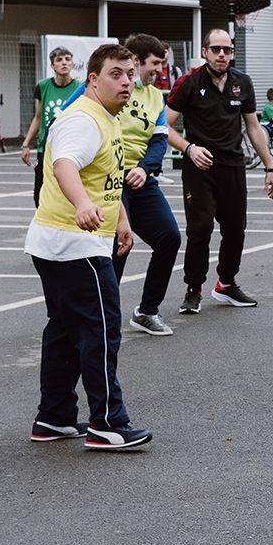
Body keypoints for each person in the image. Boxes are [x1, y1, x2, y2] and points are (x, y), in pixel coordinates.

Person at [24, 43, 149, 450]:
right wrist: (81, 204)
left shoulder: (108, 116)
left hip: (60, 241)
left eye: (130, 73)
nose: (126, 81)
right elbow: (64, 165)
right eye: (116, 73)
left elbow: (108, 178)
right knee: (100, 330)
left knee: (64, 329)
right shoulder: (83, 119)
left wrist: (122, 220)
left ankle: (54, 417)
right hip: (74, 243)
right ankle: (108, 422)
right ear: (92, 79)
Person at [165, 29, 273, 314]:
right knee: (200, 229)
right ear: (204, 52)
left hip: (232, 166)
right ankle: (194, 289)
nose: (221, 55)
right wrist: (190, 149)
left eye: (226, 50)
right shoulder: (188, 83)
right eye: (215, 49)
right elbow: (163, 126)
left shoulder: (243, 82)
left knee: (235, 229)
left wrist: (270, 167)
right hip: (198, 168)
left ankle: (226, 284)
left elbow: (253, 127)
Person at [115, 34, 188, 338]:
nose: (159, 69)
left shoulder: (156, 96)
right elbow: (67, 119)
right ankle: (101, 314)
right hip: (110, 179)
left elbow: (159, 139)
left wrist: (145, 169)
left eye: (162, 63)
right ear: (135, 59)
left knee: (169, 238)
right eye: (155, 63)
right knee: (118, 246)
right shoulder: (110, 88)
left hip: (141, 179)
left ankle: (146, 311)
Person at [18, 46, 80, 205]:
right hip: (46, 146)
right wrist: (25, 145)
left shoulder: (79, 88)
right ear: (52, 66)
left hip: (70, 145)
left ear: (72, 64)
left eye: (67, 59)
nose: (64, 63)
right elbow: (38, 117)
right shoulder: (43, 86)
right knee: (40, 191)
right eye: (59, 60)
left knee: (67, 187)